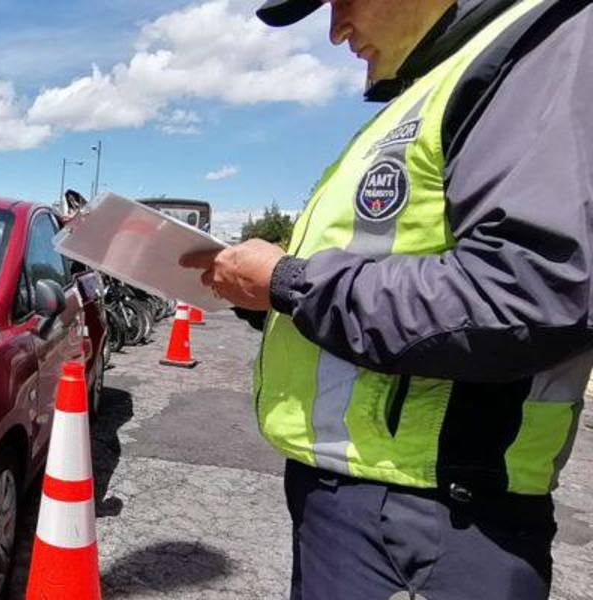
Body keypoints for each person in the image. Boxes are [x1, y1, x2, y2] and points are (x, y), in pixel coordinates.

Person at [185, 0, 593, 598]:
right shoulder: (431, 86)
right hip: (372, 503)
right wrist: (264, 295)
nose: (334, 31)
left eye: (340, 1)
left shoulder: (536, 43)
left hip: (437, 517)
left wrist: (289, 282)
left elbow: (529, 291)